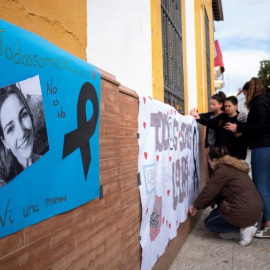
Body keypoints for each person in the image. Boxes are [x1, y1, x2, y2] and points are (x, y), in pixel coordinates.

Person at [189, 147, 263, 246]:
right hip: (255, 209)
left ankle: (245, 228)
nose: (209, 165)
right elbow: (215, 193)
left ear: (214, 160)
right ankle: (240, 231)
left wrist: (195, 206)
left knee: (209, 223)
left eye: (209, 162)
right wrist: (201, 205)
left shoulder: (222, 170)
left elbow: (209, 190)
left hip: (244, 210)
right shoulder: (234, 167)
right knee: (218, 208)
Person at [225, 77, 270, 238]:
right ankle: (266, 221)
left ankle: (268, 226)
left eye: (245, 93)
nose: (246, 97)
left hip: (262, 148)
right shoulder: (266, 100)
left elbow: (260, 126)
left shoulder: (258, 103)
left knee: (262, 187)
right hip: (266, 146)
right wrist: (244, 130)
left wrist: (239, 127)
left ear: (249, 91)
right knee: (267, 187)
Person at [0, 84, 41, 188]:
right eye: (10, 129)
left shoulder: (52, 161)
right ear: (5, 142)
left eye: (23, 115)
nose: (22, 133)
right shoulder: (7, 189)